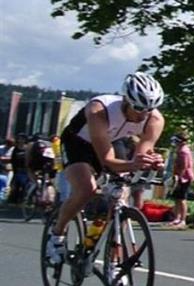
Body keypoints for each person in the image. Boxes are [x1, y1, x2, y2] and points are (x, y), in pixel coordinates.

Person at [47, 73, 165, 268]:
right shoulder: (99, 109)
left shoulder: (155, 120)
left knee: (120, 197)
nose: (143, 115)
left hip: (113, 141)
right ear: (126, 100)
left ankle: (114, 259)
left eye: (149, 109)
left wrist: (150, 162)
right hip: (79, 144)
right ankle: (57, 235)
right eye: (139, 108)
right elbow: (108, 160)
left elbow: (139, 157)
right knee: (86, 189)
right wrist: (134, 164)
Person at [168, 132, 194, 227]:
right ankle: (177, 218)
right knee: (177, 198)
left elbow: (184, 166)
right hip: (179, 176)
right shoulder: (179, 150)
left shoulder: (184, 151)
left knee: (182, 198)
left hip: (184, 178)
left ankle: (182, 219)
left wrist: (179, 177)